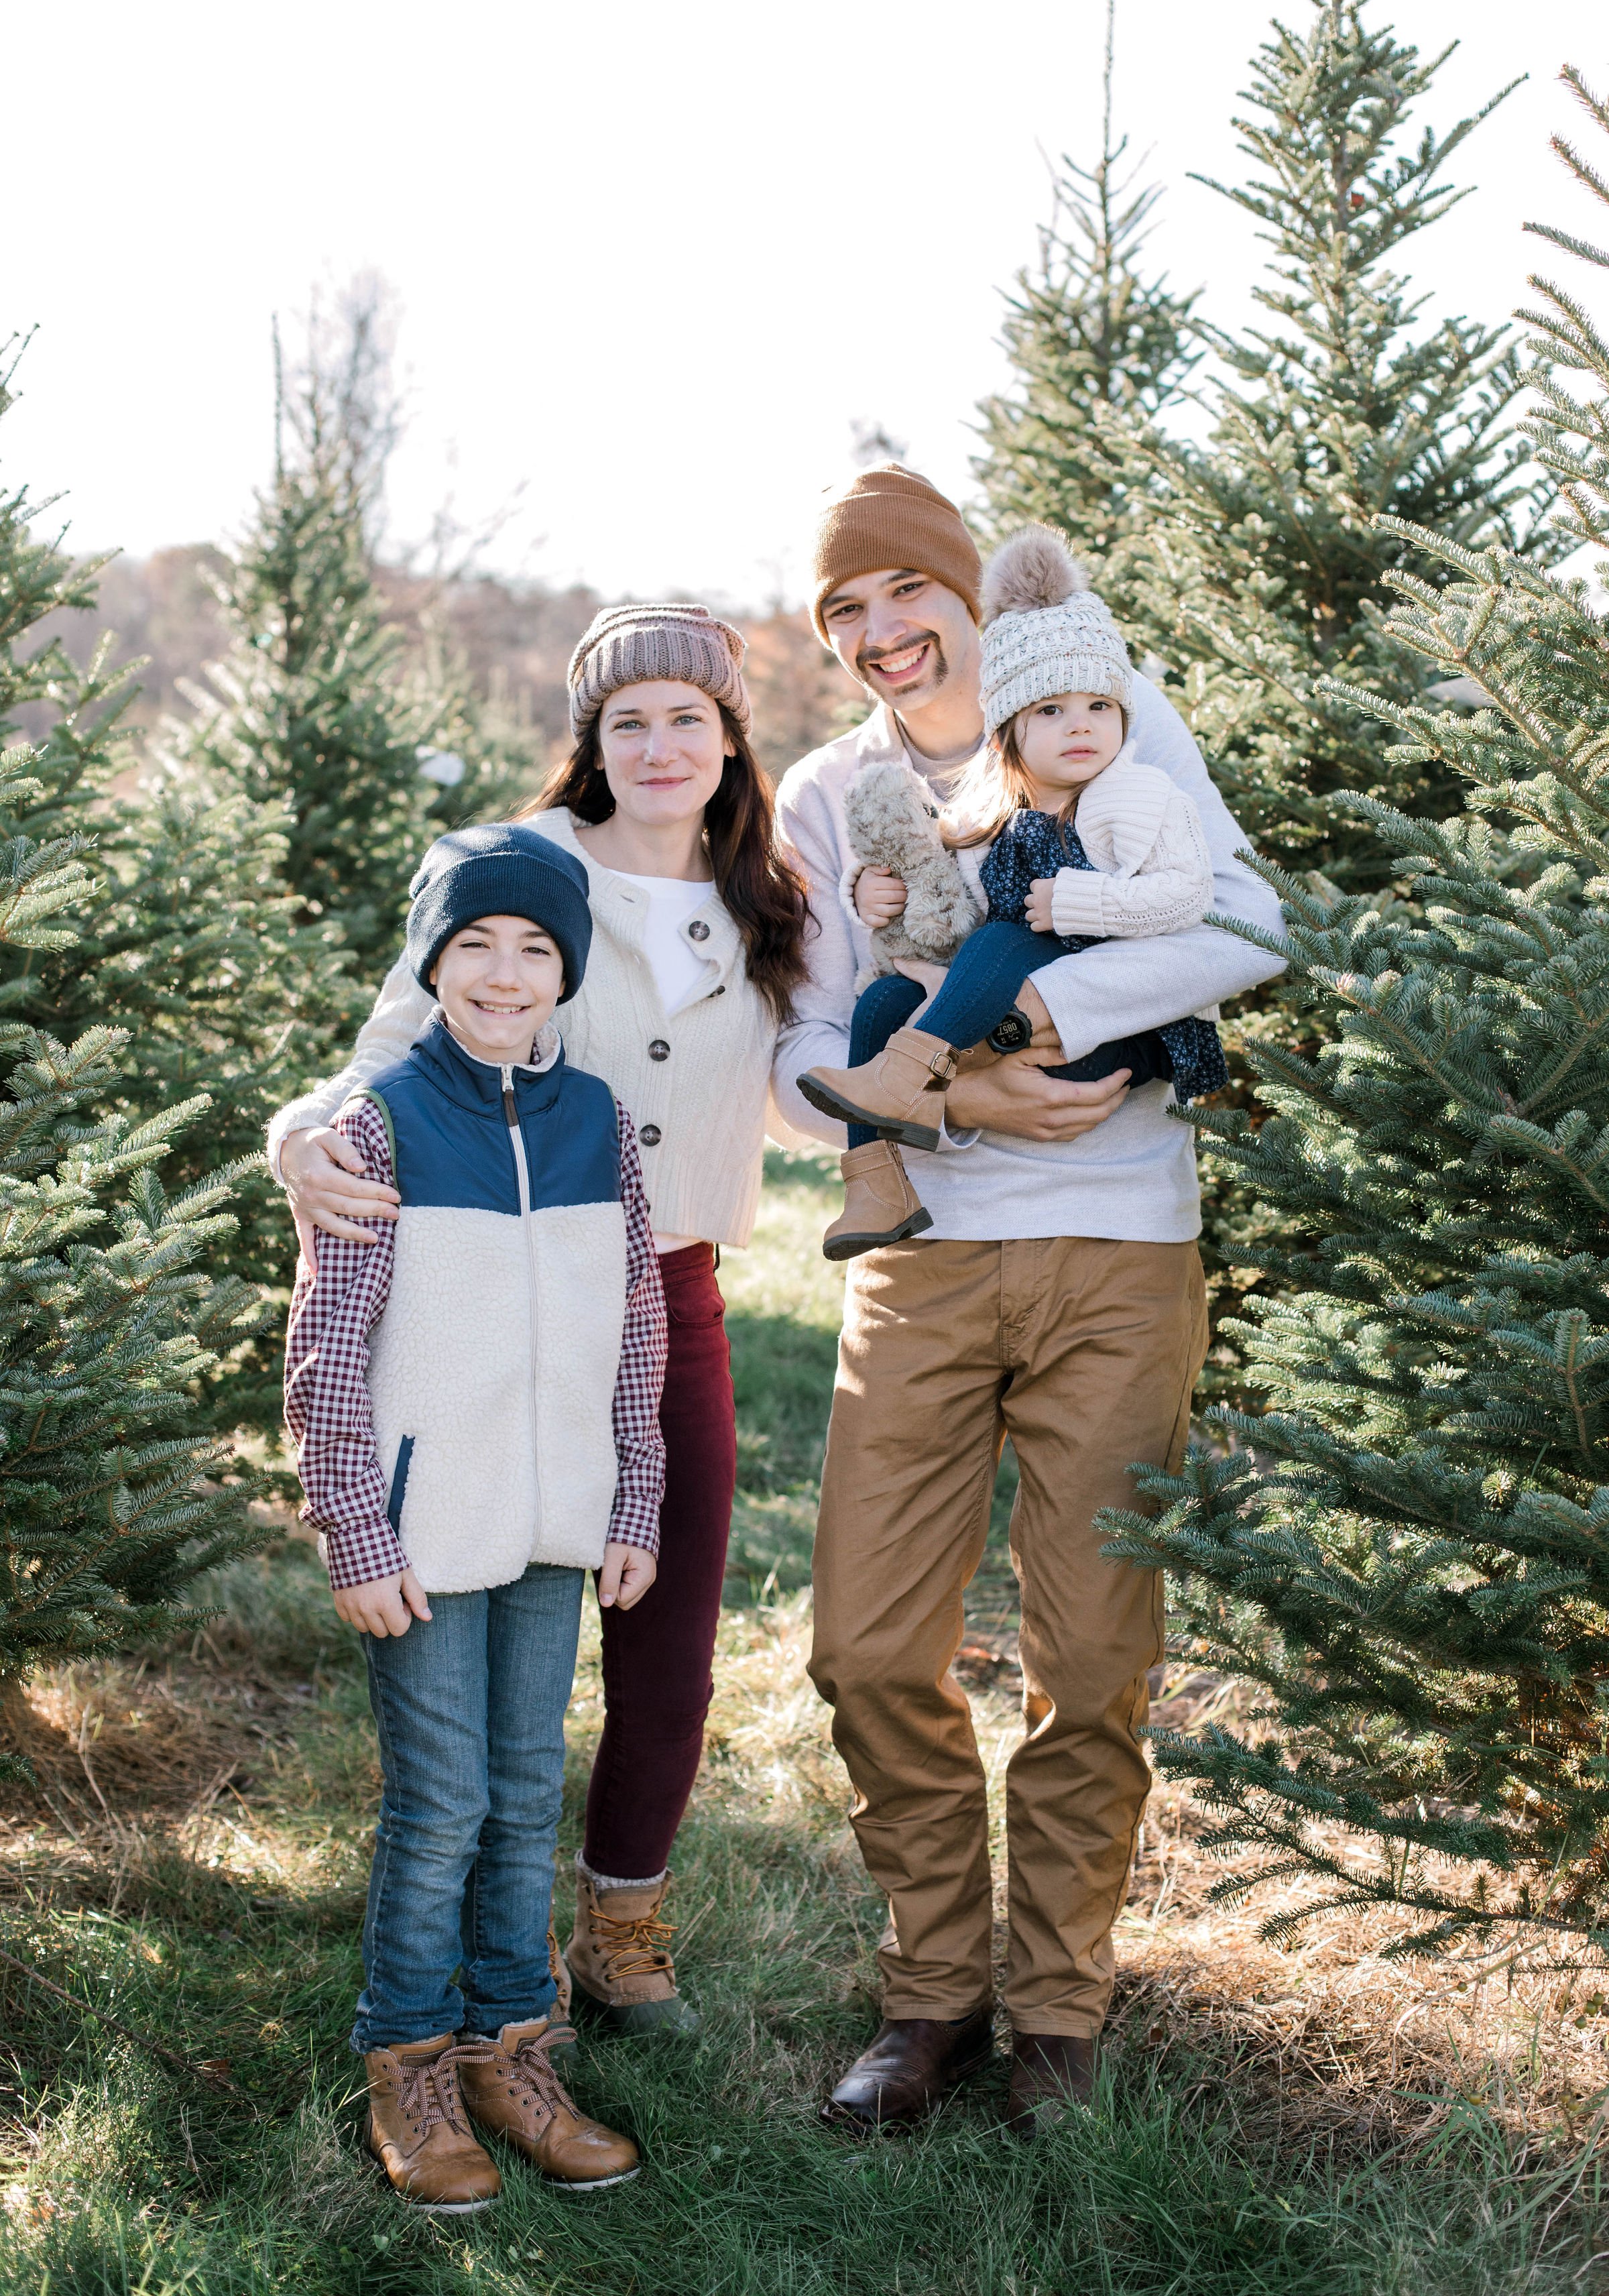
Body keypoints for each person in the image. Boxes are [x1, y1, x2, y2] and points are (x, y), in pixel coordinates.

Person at [770, 466, 1287, 2138]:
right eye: (841, 613)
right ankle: (927, 1991)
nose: (875, 634)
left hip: (1119, 1255)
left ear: (965, 596)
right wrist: (960, 1097)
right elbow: (801, 1059)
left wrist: (1049, 1013)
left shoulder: (1105, 726)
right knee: (862, 1643)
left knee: (1089, 1648)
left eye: (900, 596)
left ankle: (1054, 2006)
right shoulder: (827, 796)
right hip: (918, 1261)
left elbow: (1243, 920)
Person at [269, 604, 810, 2036]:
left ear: (728, 735)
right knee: (494, 1611)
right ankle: (447, 1943)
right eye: (626, 720)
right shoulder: (524, 877)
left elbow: (824, 1060)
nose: (657, 744)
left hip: (661, 1290)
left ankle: (619, 1927)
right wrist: (293, 1141)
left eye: (686, 717)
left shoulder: (767, 897)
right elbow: (389, 1050)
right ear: (591, 743)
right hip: (495, 1277)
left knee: (671, 1624)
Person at [284, 826, 664, 2209]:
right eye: (475, 948)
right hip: (425, 1529)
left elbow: (637, 1336)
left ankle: (513, 2048)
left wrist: (636, 1492)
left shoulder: (601, 1124)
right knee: (439, 1805)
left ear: (565, 972)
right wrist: (356, 1527)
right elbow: (327, 1342)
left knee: (521, 1799)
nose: (505, 974)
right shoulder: (382, 1120)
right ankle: (411, 2063)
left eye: (535, 951)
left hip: (557, 1519)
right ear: (433, 961)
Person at [799, 525, 1227, 1254]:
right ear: (1010, 735)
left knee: (1007, 934)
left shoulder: (1139, 795)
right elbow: (943, 882)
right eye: (1050, 713)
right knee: (885, 999)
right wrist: (865, 891)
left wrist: (1079, 906)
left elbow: (1199, 903)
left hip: (1116, 1049)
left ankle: (908, 1074)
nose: (1079, 728)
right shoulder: (993, 805)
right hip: (984, 1064)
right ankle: (875, 1187)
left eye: (1097, 709)